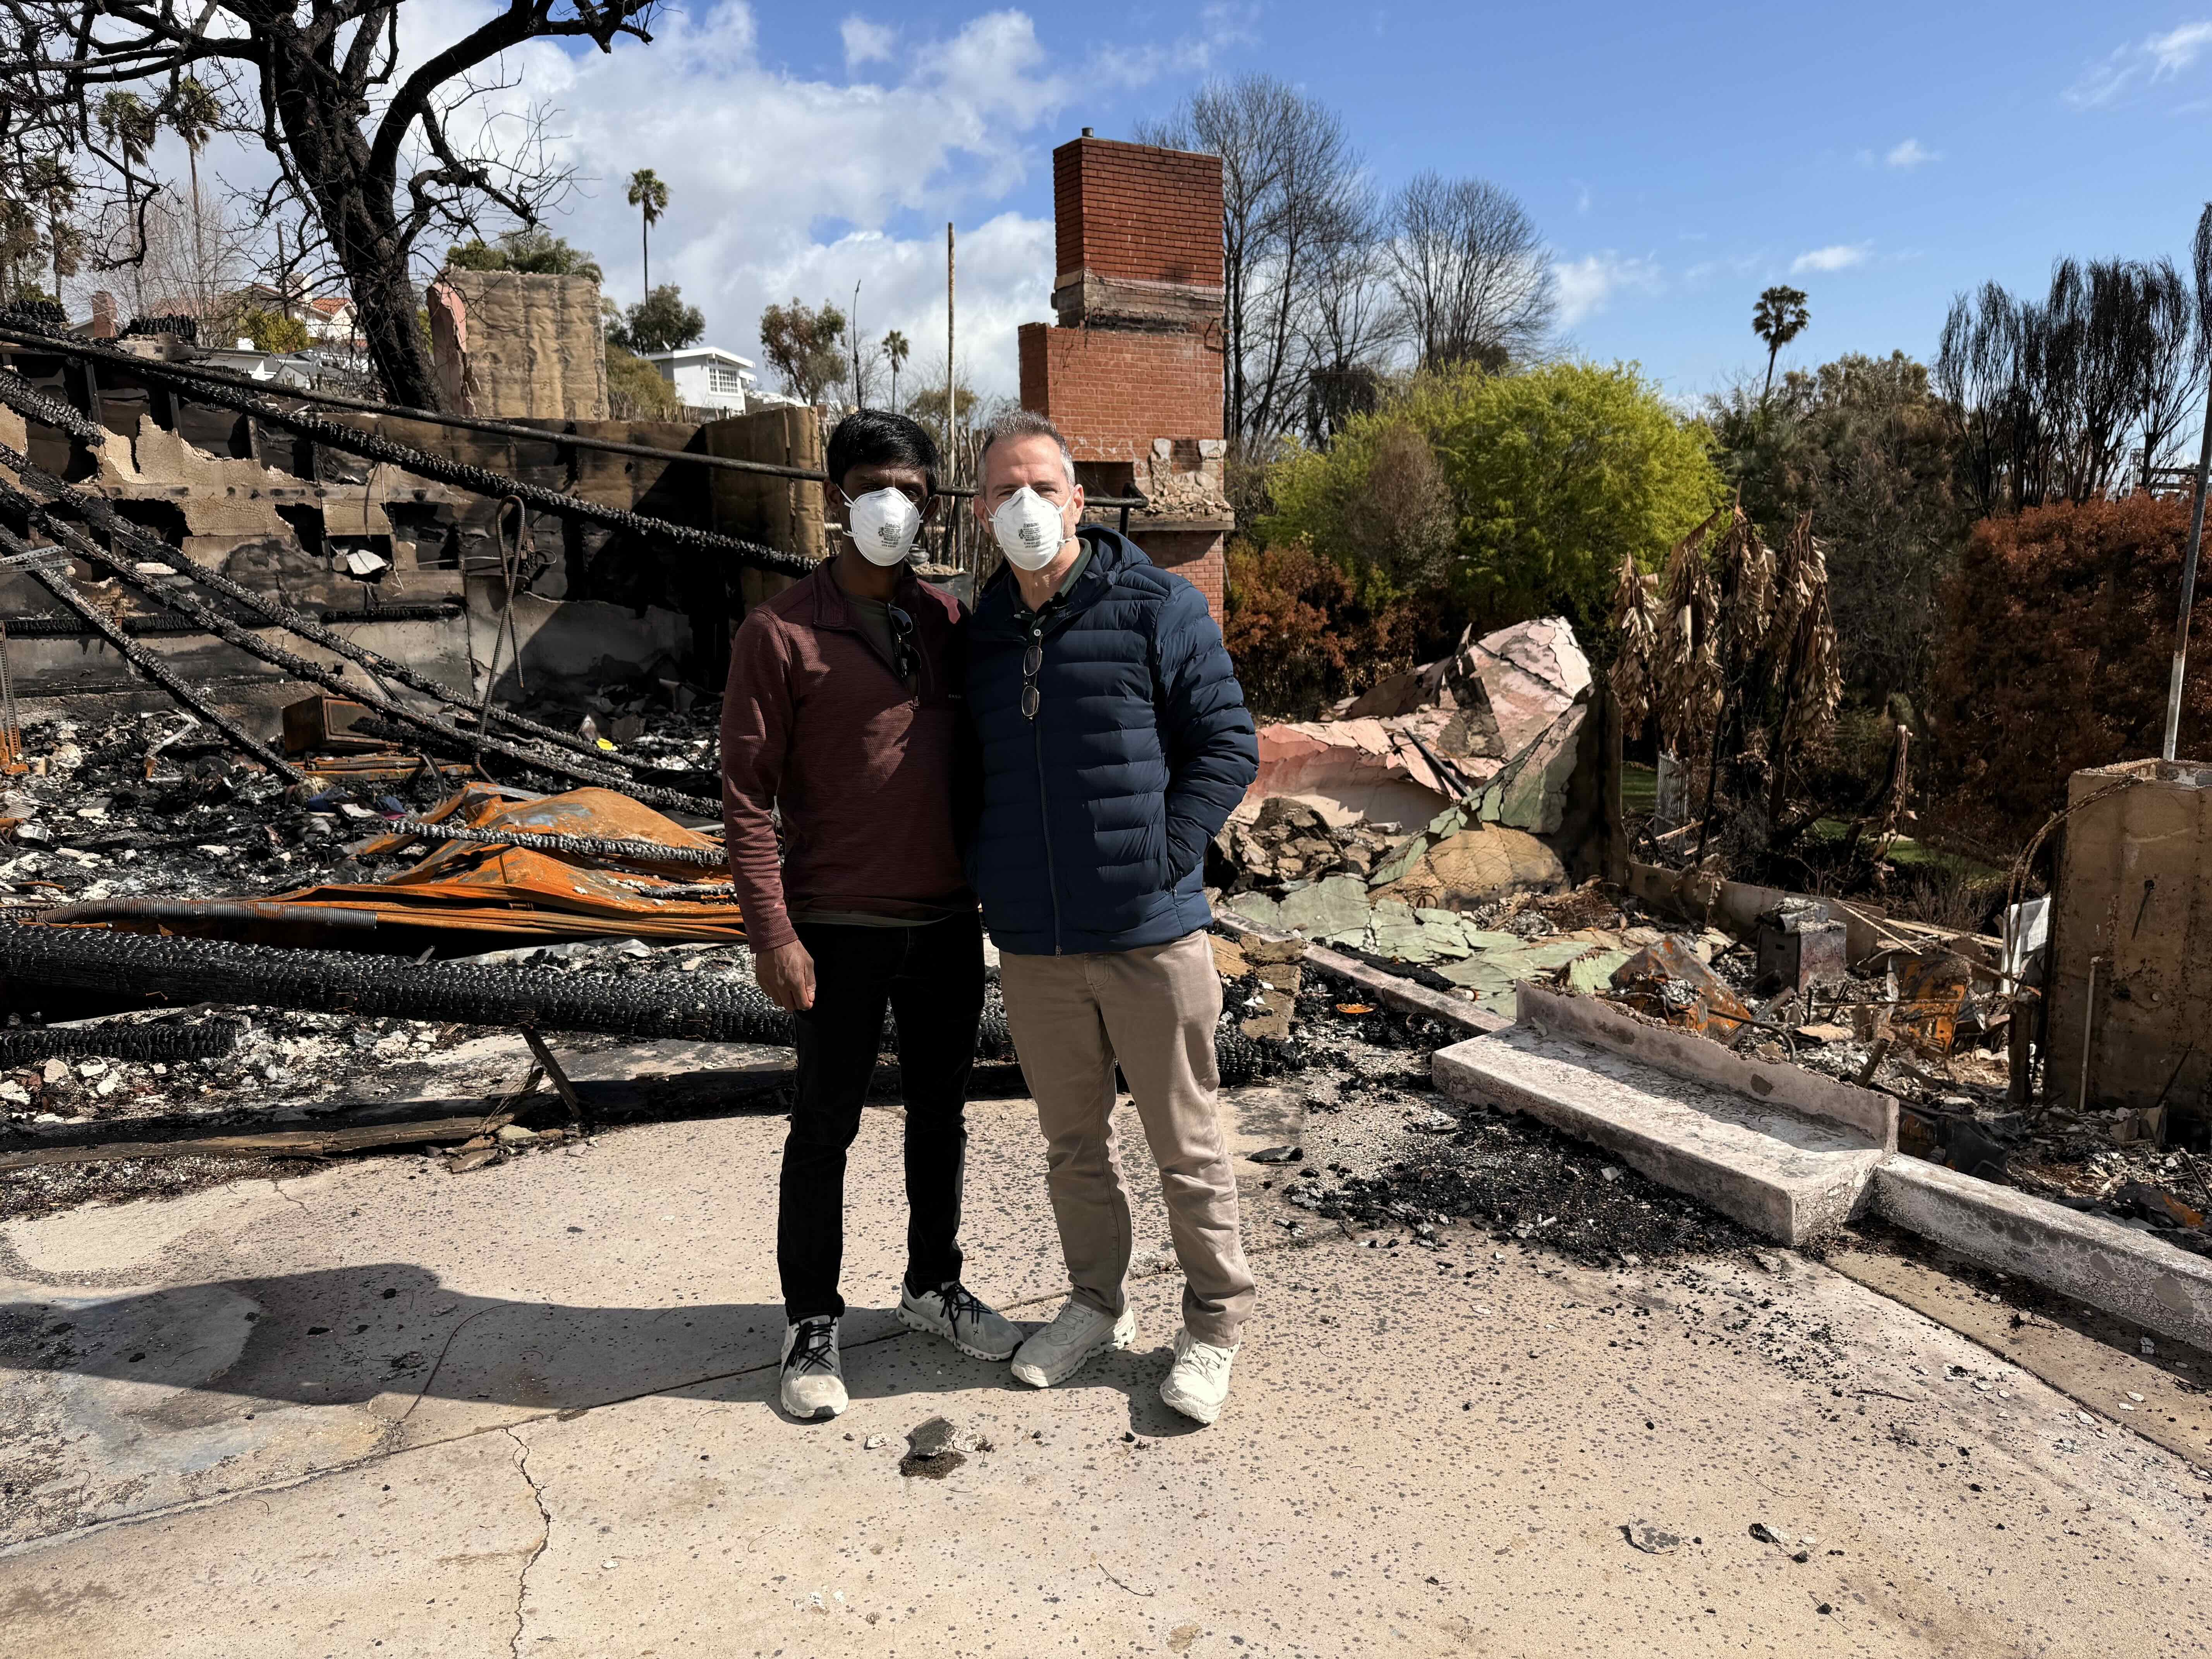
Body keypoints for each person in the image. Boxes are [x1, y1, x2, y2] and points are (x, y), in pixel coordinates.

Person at [962, 409, 1260, 1426]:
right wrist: (986, 877)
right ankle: (1097, 1302)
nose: (1027, 506)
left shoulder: (1156, 605)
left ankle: (1214, 1326)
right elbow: (970, 776)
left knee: (1187, 1140)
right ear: (980, 512)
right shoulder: (984, 635)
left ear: (1079, 501)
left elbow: (1227, 742)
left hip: (1151, 935)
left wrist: (1164, 857)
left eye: (1044, 486)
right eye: (1006, 491)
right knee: (1072, 1147)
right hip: (1038, 949)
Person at [721, 408, 1018, 1422]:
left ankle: (933, 1284)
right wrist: (772, 930)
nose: (898, 503)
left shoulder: (947, 625)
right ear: (836, 497)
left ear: (934, 505)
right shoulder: (781, 633)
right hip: (835, 926)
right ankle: (811, 1319)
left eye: (916, 488)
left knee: (942, 1117)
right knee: (825, 1125)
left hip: (943, 921)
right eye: (877, 483)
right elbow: (745, 794)